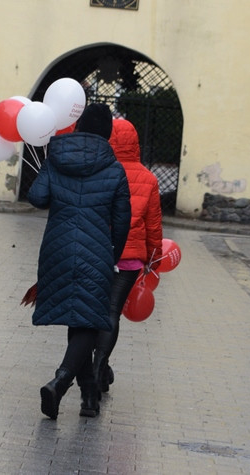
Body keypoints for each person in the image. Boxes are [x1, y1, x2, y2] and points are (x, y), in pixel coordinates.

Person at [27, 103, 131, 420]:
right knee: (89, 318)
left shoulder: (55, 159)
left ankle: (89, 397)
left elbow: (37, 197)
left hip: (56, 249)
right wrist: (111, 257)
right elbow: (122, 221)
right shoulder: (115, 169)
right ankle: (60, 381)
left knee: (79, 318)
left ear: (77, 125)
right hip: (97, 251)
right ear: (107, 135)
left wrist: (48, 171)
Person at [93, 117, 162, 409]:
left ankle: (96, 368)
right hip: (131, 260)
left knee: (91, 311)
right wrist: (155, 258)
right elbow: (153, 225)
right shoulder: (149, 178)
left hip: (98, 253)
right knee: (112, 312)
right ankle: (100, 368)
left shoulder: (101, 171)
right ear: (135, 143)